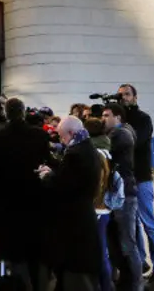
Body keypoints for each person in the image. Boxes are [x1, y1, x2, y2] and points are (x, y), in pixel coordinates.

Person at [0, 98, 52, 291]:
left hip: (7, 202)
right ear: (23, 112)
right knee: (35, 250)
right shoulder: (39, 135)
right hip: (34, 200)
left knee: (13, 252)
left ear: (6, 112)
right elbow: (47, 164)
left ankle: (20, 285)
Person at [36, 116, 102, 291]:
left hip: (75, 220)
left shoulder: (75, 154)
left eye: (61, 136)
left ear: (71, 133)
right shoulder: (87, 147)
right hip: (83, 215)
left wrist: (47, 176)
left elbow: (64, 186)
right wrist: (54, 170)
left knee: (76, 273)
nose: (61, 140)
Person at [119, 84, 154, 291]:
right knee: (132, 226)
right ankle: (140, 264)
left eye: (127, 94)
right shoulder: (120, 119)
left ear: (135, 97)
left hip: (141, 178)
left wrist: (119, 129)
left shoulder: (143, 119)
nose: (124, 98)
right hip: (125, 179)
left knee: (149, 224)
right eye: (120, 95)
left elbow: (135, 141)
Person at [102, 104, 141, 291]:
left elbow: (105, 147)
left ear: (117, 117)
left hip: (124, 195)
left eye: (106, 115)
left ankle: (135, 284)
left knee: (127, 243)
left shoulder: (122, 133)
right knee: (115, 243)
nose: (103, 119)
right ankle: (124, 282)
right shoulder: (116, 133)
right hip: (115, 194)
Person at [85, 118, 115, 291]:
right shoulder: (106, 148)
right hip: (103, 207)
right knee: (102, 250)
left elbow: (96, 183)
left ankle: (105, 286)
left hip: (96, 207)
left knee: (100, 252)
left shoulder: (95, 153)